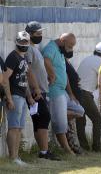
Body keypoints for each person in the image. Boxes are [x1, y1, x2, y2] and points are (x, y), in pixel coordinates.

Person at [25, 21, 60, 160]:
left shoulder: (35, 48)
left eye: (41, 33)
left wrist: (47, 78)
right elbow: (28, 70)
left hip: (41, 89)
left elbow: (38, 69)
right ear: (30, 34)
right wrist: (36, 88)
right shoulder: (28, 49)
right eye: (37, 33)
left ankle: (43, 151)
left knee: (39, 120)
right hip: (36, 91)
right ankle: (44, 152)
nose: (40, 35)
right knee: (44, 118)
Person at [42, 33, 77, 154]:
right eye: (70, 45)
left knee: (80, 111)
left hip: (63, 91)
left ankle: (59, 116)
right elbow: (46, 60)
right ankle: (67, 150)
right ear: (62, 40)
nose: (71, 49)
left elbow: (64, 73)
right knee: (61, 124)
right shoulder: (51, 48)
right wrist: (52, 75)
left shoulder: (60, 51)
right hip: (55, 90)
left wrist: (71, 93)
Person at [2, 31, 31, 165]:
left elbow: (25, 79)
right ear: (17, 42)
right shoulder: (13, 57)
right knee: (13, 127)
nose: (24, 44)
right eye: (21, 41)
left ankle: (16, 157)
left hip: (21, 96)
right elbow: (5, 79)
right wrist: (9, 98)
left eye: (26, 42)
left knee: (19, 128)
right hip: (14, 96)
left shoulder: (23, 58)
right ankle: (12, 158)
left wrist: (29, 96)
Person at [76, 42, 101, 152]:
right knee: (97, 119)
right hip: (85, 93)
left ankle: (84, 146)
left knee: (81, 120)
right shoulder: (100, 62)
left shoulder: (88, 59)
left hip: (77, 91)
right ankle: (96, 147)